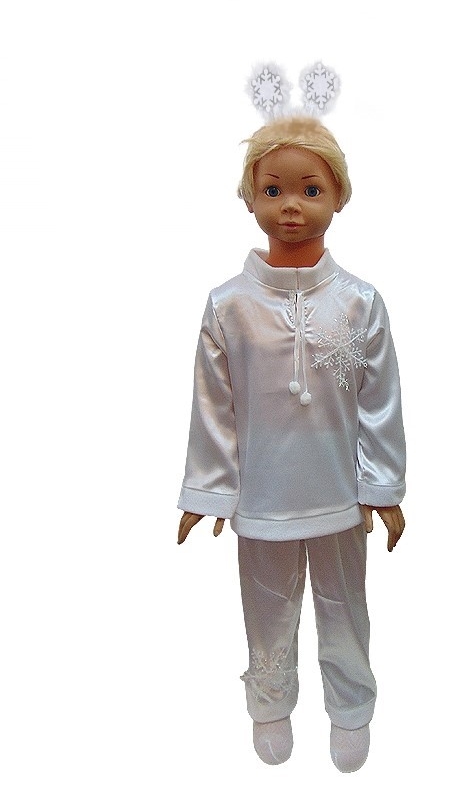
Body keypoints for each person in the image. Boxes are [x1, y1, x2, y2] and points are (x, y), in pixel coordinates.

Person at [177, 115, 406, 773]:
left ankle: (351, 707)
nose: (292, 207)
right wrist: (208, 491)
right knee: (267, 603)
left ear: (339, 197)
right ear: (249, 198)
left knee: (345, 604)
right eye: (273, 190)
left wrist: (382, 487)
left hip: (338, 494)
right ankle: (270, 702)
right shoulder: (229, 307)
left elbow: (380, 402)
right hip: (264, 495)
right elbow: (213, 407)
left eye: (311, 190)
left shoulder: (360, 303)